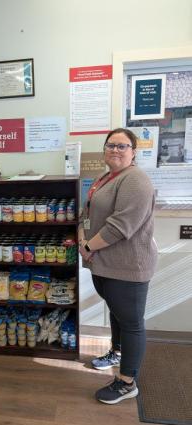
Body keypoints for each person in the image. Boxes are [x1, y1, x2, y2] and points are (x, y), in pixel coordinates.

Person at [78, 128, 157, 404]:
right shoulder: (105, 177)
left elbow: (120, 226)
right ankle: (117, 352)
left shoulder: (136, 180)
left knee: (132, 322)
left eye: (122, 146)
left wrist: (88, 246)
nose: (115, 150)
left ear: (133, 152)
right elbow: (86, 213)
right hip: (105, 264)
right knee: (118, 313)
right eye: (111, 145)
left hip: (127, 266)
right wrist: (81, 236)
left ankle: (127, 382)